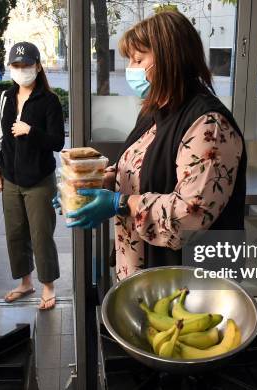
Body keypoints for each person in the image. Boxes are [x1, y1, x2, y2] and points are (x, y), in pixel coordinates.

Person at [60, 11, 247, 281]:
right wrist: (87, 186)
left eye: (138, 59)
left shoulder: (209, 125)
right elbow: (138, 166)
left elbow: (189, 216)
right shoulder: (154, 110)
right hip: (142, 271)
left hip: (189, 285)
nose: (131, 69)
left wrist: (119, 203)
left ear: (172, 57)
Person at [0, 42, 64, 310]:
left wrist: (31, 130)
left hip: (39, 180)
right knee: (15, 233)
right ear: (10, 68)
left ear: (38, 66)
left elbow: (57, 142)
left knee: (41, 234)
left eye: (27, 65)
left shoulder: (49, 100)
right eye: (17, 66)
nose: (22, 70)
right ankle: (25, 282)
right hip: (9, 177)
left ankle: (48, 286)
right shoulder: (4, 98)